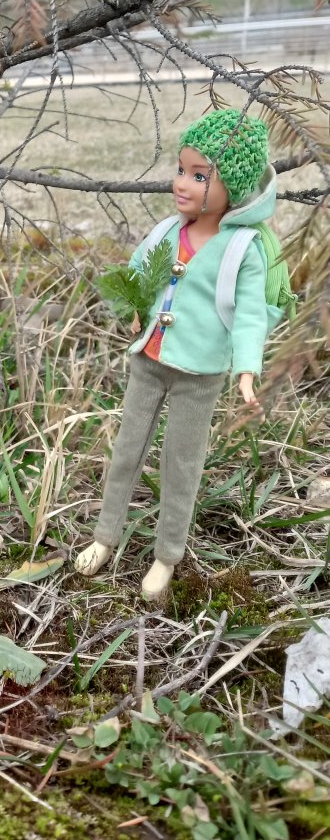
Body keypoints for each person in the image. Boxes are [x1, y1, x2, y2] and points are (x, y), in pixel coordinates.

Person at [74, 108, 275, 601]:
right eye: (182, 170)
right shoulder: (167, 232)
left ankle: (166, 555)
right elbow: (138, 273)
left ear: (235, 187)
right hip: (149, 360)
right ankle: (106, 536)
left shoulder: (242, 248)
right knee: (126, 453)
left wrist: (247, 368)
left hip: (199, 372)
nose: (182, 183)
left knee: (180, 466)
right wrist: (133, 307)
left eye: (200, 176)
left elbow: (250, 314)